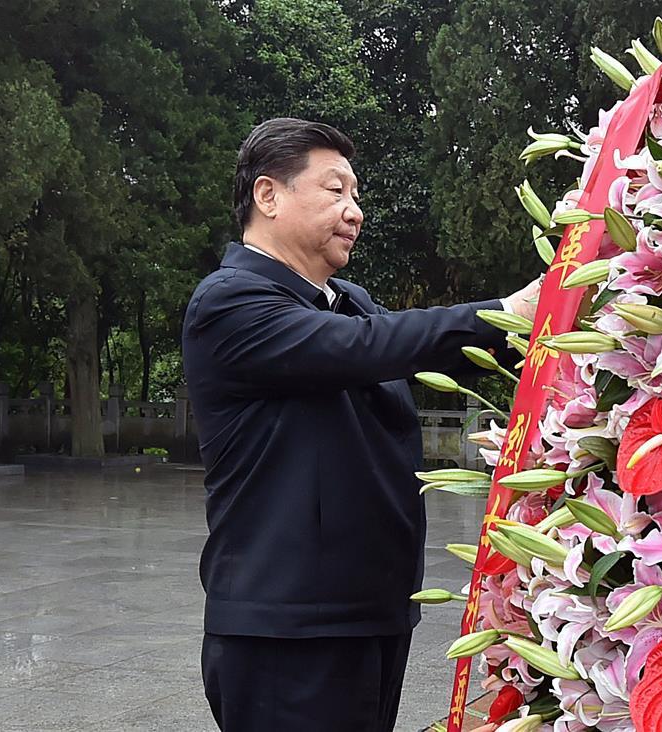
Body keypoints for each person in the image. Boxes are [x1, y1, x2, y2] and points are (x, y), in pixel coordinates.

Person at [182, 117, 540, 731]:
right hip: (289, 631)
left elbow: (419, 348)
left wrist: (557, 315)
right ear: (268, 195)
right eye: (335, 190)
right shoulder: (230, 301)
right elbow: (367, 346)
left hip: (372, 613)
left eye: (356, 194)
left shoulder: (347, 301)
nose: (355, 212)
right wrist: (505, 312)